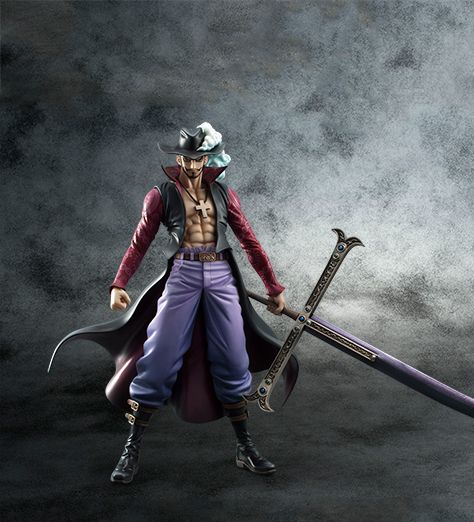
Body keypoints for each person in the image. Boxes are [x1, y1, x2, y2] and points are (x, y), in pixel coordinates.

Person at [50, 122, 297, 484]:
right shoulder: (161, 195)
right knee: (160, 357)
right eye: (187, 158)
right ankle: (131, 448)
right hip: (183, 274)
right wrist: (119, 283)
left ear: (207, 159)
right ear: (179, 159)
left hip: (220, 276)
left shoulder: (224, 195)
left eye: (199, 158)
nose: (193, 165)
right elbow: (140, 242)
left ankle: (245, 446)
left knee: (233, 359)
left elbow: (249, 241)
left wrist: (273, 287)